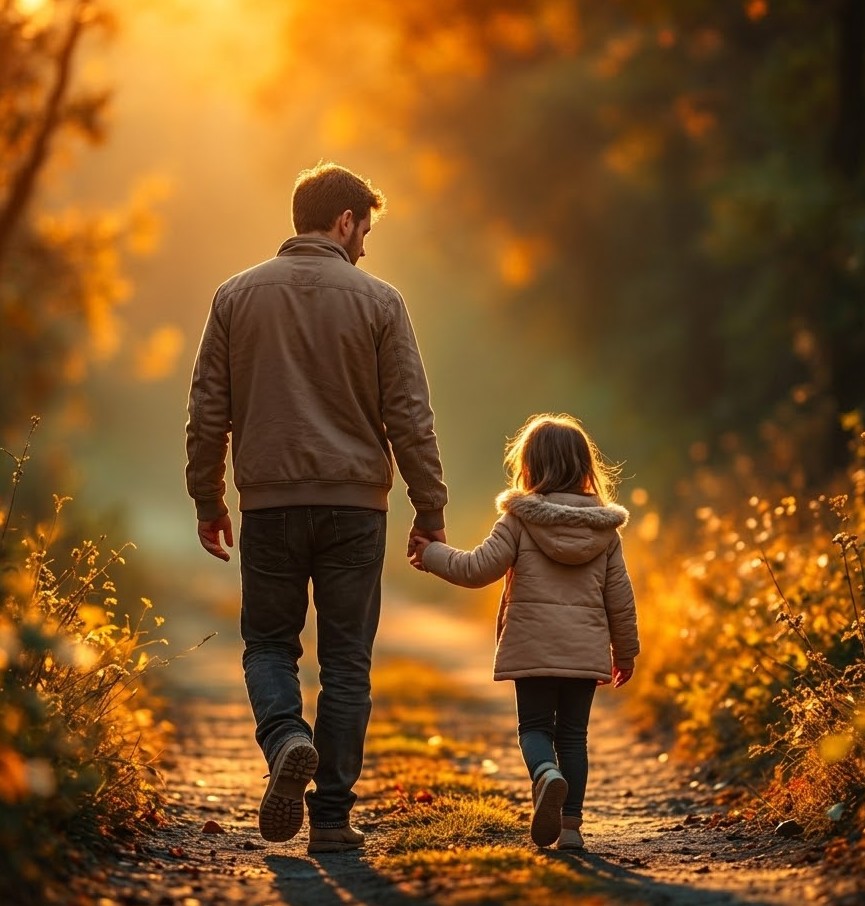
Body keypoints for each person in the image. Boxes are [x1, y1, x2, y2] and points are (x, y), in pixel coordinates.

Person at [185, 162, 447, 854]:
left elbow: (207, 411)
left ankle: (286, 742)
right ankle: (330, 821)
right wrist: (431, 508)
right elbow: (409, 417)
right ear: (344, 221)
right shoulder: (381, 302)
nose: (365, 245)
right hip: (355, 508)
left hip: (269, 505)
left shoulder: (234, 296)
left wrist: (208, 497)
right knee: (346, 665)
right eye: (364, 229)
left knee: (270, 645)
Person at [410, 413, 638, 850]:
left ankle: (545, 775)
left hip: (532, 648)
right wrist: (625, 653)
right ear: (585, 467)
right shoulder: (605, 531)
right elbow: (621, 599)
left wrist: (432, 553)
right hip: (584, 652)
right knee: (574, 736)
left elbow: (477, 569)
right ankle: (571, 829)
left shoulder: (518, 520)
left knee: (534, 729)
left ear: (529, 467)